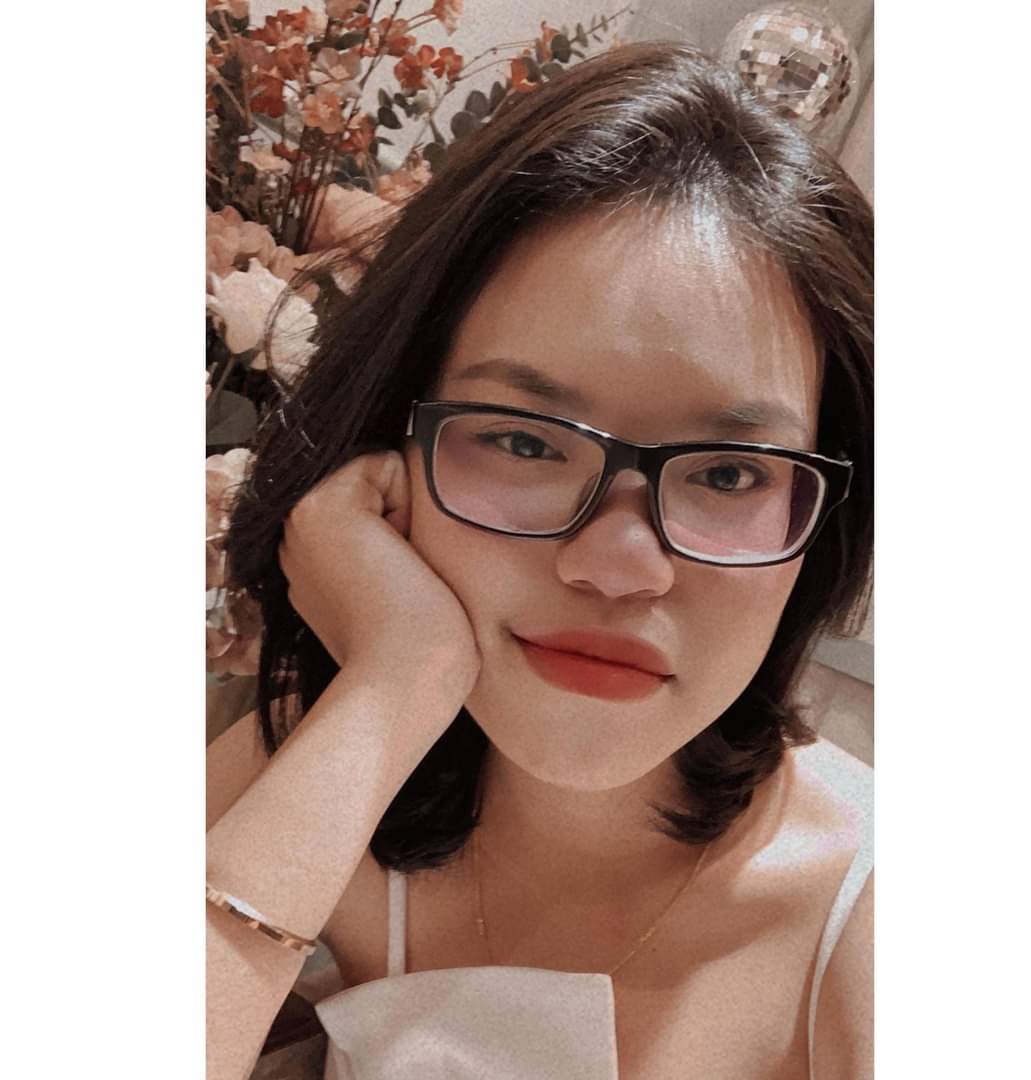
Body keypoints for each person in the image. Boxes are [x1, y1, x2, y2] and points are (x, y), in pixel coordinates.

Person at [207, 40, 874, 1080]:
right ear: (390, 452)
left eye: (730, 473)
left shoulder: (877, 919)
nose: (618, 565)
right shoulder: (333, 761)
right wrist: (394, 685)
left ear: (822, 524)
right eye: (523, 442)